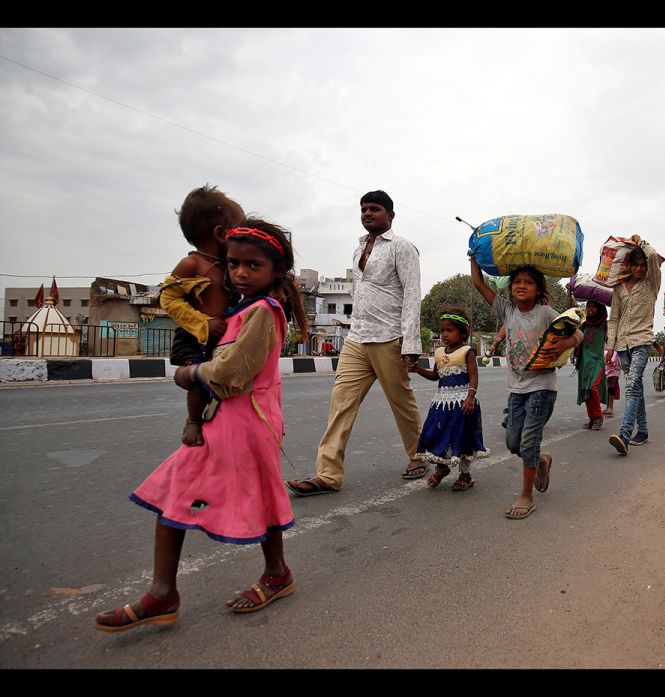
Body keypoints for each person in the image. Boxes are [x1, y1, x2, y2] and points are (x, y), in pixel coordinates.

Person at [94, 219, 309, 632]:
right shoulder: (236, 310)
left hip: (249, 421)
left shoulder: (264, 312)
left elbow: (232, 372)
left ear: (275, 271)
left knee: (249, 495)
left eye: (253, 265)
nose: (241, 273)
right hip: (227, 421)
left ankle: (270, 575)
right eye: (233, 264)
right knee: (181, 490)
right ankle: (165, 592)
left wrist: (189, 375)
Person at [286, 190, 423, 496]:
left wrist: (410, 343)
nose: (367, 214)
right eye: (363, 209)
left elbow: (412, 295)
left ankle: (420, 456)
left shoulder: (402, 248)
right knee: (340, 405)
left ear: (390, 215)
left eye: (374, 209)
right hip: (356, 337)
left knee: (402, 403)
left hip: (388, 337)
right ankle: (327, 474)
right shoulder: (359, 247)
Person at [470, 255, 583, 519]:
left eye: (528, 282)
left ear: (539, 289)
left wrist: (567, 344)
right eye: (517, 282)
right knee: (512, 442)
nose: (522, 286)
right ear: (510, 288)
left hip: (542, 387)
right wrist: (474, 258)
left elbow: (577, 332)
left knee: (529, 440)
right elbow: (478, 284)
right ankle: (541, 460)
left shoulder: (545, 313)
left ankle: (526, 495)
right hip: (516, 389)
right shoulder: (507, 311)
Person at [160, 185, 245, 446]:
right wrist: (202, 322)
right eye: (239, 230)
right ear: (221, 234)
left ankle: (219, 420)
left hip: (222, 337)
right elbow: (168, 298)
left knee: (221, 378)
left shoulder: (230, 266)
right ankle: (193, 420)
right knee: (198, 377)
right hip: (194, 336)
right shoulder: (192, 264)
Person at [408, 307, 489, 491]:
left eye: (449, 330)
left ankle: (465, 475)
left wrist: (470, 397)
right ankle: (442, 468)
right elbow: (436, 377)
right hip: (441, 404)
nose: (444, 334)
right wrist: (418, 369)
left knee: (461, 437)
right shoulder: (439, 353)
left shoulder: (467, 351)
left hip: (463, 404)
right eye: (442, 330)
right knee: (435, 434)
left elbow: (474, 377)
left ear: (462, 332)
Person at [605, 234, 662, 455]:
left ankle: (625, 435)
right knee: (635, 388)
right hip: (622, 345)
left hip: (642, 341)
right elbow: (614, 319)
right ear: (629, 265)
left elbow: (654, 257)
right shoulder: (619, 289)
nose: (639, 269)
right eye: (635, 265)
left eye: (642, 265)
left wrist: (642, 243)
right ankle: (643, 431)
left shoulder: (651, 284)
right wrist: (611, 347)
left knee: (631, 386)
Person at [572, 298, 608, 430]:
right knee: (586, 391)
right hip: (584, 362)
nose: (590, 309)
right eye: (588, 306)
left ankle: (598, 417)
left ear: (600, 309)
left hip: (597, 361)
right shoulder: (584, 325)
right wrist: (569, 295)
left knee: (593, 388)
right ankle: (592, 419)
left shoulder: (604, 324)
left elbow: (613, 336)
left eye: (593, 307)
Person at [604, 348, 621, 417]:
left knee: (612, 386)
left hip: (614, 365)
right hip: (604, 364)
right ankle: (608, 407)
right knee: (607, 387)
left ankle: (610, 407)